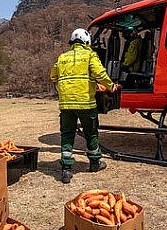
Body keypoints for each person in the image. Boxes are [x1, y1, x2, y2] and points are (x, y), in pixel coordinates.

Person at [50, 28, 120, 184]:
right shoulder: (90, 55)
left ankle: (66, 169)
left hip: (66, 106)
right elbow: (100, 74)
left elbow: (53, 76)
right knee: (91, 133)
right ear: (86, 41)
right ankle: (95, 163)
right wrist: (111, 86)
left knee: (67, 134)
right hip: (86, 104)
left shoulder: (62, 57)